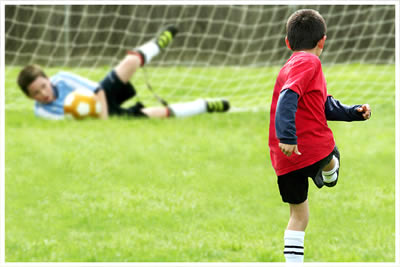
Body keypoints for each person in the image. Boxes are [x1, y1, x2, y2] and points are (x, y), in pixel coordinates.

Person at [268, 9, 371, 263]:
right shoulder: (310, 62)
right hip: (310, 148)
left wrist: (352, 113)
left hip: (284, 160)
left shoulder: (288, 67)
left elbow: (322, 105)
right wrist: (289, 136)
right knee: (331, 155)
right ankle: (329, 168)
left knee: (299, 217)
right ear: (322, 41)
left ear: (287, 43)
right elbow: (288, 96)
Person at [17, 25, 229, 120]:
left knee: (129, 62)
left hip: (101, 98)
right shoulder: (41, 112)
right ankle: (205, 106)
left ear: (47, 78)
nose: (43, 94)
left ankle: (156, 44)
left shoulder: (62, 79)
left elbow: (98, 89)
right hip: (91, 117)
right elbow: (69, 122)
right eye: (36, 93)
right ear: (30, 97)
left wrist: (104, 120)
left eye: (43, 86)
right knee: (156, 115)